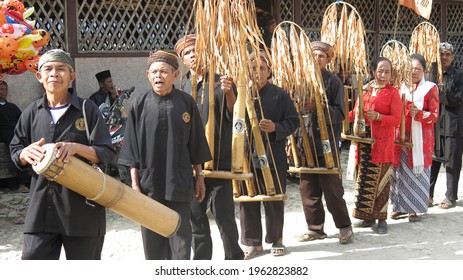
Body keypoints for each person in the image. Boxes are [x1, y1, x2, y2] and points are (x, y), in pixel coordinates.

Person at [9, 49, 116, 260]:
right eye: (47, 69)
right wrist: (25, 153)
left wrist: (77, 148)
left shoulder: (88, 109)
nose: (54, 74)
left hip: (82, 211)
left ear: (71, 76)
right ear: (39, 76)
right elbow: (15, 149)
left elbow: (106, 151)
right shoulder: (31, 112)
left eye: (61, 69)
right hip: (41, 211)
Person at [118, 50, 211, 260]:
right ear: (148, 75)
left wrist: (200, 176)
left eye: (164, 72)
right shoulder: (139, 104)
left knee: (181, 240)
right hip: (148, 184)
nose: (158, 76)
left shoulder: (186, 102)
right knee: (152, 242)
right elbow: (131, 147)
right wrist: (134, 184)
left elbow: (195, 143)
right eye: (154, 72)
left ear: (175, 75)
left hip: (178, 181)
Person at [175, 34, 244, 260]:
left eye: (196, 50)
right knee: (196, 217)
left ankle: (234, 259)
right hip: (193, 164)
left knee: (224, 215)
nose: (193, 55)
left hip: (219, 158)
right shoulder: (183, 85)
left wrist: (229, 93)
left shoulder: (221, 80)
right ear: (182, 59)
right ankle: (202, 263)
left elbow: (236, 117)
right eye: (187, 53)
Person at [240, 50, 298, 259]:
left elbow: (293, 121)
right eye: (253, 68)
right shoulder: (241, 94)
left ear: (269, 71)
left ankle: (277, 239)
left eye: (262, 68)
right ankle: (251, 243)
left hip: (273, 154)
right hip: (246, 155)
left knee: (273, 199)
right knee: (248, 198)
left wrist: (276, 127)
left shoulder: (280, 94)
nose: (258, 72)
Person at [297, 41, 353, 244]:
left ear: (328, 59)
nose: (317, 59)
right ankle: (315, 228)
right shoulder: (301, 80)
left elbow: (340, 113)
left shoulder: (334, 82)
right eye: (313, 55)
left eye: (321, 56)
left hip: (327, 142)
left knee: (332, 187)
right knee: (307, 187)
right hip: (306, 142)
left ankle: (344, 226)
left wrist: (319, 107)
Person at [346, 57, 401, 234]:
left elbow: (396, 120)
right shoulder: (365, 89)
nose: (383, 75)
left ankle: (381, 219)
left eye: (387, 72)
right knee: (365, 179)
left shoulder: (393, 93)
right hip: (365, 143)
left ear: (391, 74)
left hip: (382, 143)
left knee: (382, 181)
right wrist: (341, 115)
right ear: (373, 72)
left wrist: (378, 117)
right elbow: (356, 111)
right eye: (380, 71)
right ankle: (365, 216)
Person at [390, 54, 439, 222]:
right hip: (400, 135)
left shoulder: (431, 88)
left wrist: (419, 113)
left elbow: (435, 114)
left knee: (415, 170)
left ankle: (414, 209)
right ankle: (399, 206)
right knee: (399, 172)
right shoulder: (400, 87)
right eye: (411, 68)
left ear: (424, 70)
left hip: (420, 137)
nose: (414, 72)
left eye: (418, 68)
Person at [429, 42, 463, 209]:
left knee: (452, 161)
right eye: (442, 54)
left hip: (453, 125)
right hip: (435, 124)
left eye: (447, 54)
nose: (444, 57)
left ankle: (450, 196)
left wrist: (439, 95)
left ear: (453, 56)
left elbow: (458, 98)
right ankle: (427, 195)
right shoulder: (432, 75)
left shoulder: (459, 74)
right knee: (432, 160)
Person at [0, 81, 30, 192]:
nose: (4, 92)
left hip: (16, 133)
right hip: (5, 134)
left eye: (5, 89)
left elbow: (22, 121)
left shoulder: (12, 107)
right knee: (17, 148)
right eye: (1, 89)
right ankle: (22, 183)